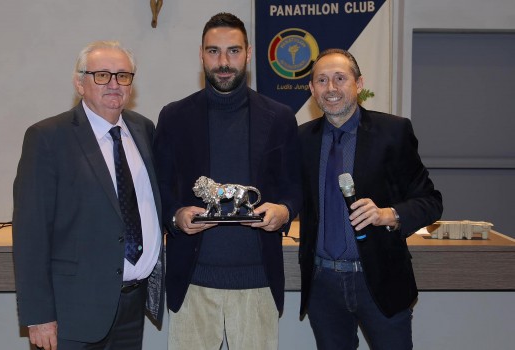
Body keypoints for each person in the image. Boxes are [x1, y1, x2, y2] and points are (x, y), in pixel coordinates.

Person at [153, 12, 302, 350]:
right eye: (213, 51)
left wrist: (285, 210)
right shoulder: (174, 117)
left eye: (233, 51)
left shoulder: (279, 117)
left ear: (248, 53)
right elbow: (159, 187)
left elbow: (295, 187)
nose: (223, 62)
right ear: (202, 55)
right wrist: (176, 214)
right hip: (193, 284)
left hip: (257, 284)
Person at [12, 40, 164, 350]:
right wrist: (39, 316)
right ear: (80, 83)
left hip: (131, 307)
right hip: (74, 313)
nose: (113, 84)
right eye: (101, 75)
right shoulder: (48, 138)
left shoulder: (143, 129)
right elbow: (30, 233)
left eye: (123, 75)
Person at [298, 48, 443, 349]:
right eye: (322, 81)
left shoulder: (393, 132)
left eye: (340, 78)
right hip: (323, 285)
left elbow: (430, 201)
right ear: (312, 89)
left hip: (380, 280)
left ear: (359, 83)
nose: (331, 88)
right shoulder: (301, 140)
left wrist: (390, 214)